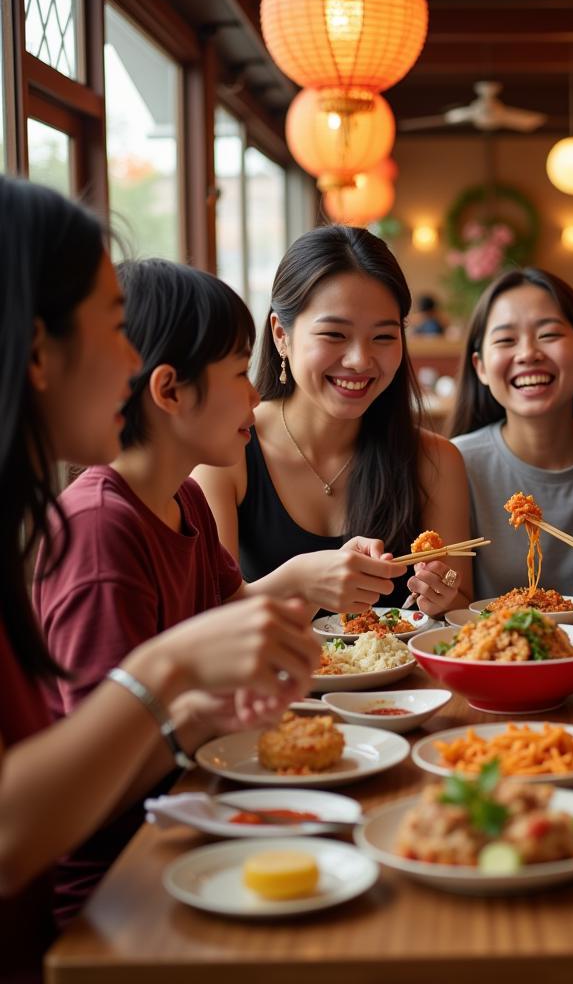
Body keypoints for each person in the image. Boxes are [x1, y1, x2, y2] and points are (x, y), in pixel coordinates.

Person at [0, 177, 319, 982]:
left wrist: (203, 695)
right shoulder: (94, 525)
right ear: (37, 349)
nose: (133, 361)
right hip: (107, 907)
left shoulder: (167, 499)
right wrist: (170, 674)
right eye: (114, 326)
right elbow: (20, 832)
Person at [33, 259, 408, 921]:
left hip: (198, 810)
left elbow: (226, 612)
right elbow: (101, 777)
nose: (256, 398)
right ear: (170, 391)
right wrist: (205, 711)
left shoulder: (183, 497)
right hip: (122, 881)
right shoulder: (99, 529)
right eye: (239, 374)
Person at [194, 225, 471, 617]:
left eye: (383, 337)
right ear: (280, 336)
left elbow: (461, 609)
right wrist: (299, 584)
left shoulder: (436, 459)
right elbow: (207, 616)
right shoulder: (225, 450)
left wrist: (442, 598)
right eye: (334, 334)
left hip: (410, 681)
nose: (359, 359)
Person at [449, 268, 573, 624]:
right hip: (498, 663)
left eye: (549, 334)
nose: (528, 353)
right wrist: (438, 587)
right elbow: (451, 596)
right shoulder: (455, 463)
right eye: (506, 340)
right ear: (480, 367)